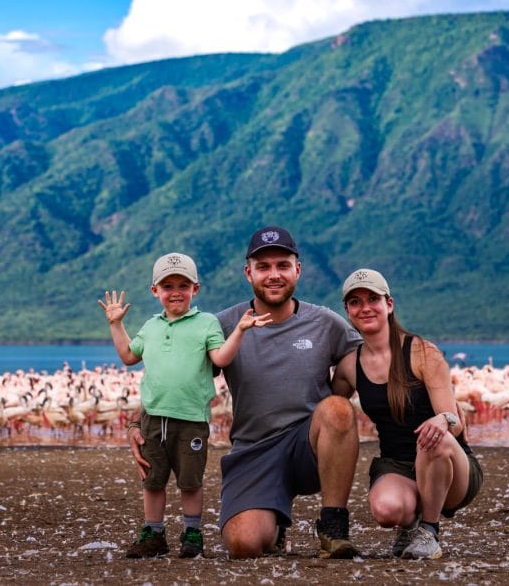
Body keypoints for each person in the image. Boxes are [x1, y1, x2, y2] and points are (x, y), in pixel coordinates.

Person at [129, 226, 364, 559]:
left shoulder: (325, 322)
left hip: (307, 445)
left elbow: (369, 363)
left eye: (282, 265)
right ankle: (274, 520)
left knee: (338, 409)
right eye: (263, 267)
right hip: (254, 450)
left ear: (297, 269)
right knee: (245, 545)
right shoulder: (220, 325)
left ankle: (333, 525)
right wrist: (137, 425)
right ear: (248, 272)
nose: (273, 275)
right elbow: (173, 377)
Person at [100, 252, 270, 559]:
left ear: (196, 289)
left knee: (190, 482)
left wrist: (240, 332)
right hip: (153, 420)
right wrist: (116, 324)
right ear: (155, 291)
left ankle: (193, 533)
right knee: (152, 481)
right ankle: (153, 533)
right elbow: (127, 356)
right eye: (168, 286)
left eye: (183, 285)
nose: (175, 291)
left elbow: (220, 358)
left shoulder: (207, 324)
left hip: (191, 419)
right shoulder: (150, 327)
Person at [331, 268, 483, 559]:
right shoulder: (349, 366)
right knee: (386, 510)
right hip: (398, 465)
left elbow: (454, 424)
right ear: (348, 311)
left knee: (433, 435)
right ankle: (409, 525)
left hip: (451, 467)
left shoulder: (423, 352)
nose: (365, 308)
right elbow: (326, 410)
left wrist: (443, 419)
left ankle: (429, 531)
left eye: (372, 299)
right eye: (355, 302)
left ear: (389, 304)